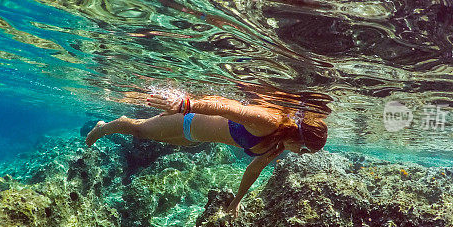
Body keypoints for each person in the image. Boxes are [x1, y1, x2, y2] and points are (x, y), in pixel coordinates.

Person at [85, 92, 328, 215]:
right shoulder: (270, 122)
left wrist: (237, 200)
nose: (300, 154)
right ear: (298, 135)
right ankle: (103, 128)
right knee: (139, 130)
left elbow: (255, 168)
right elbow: (230, 108)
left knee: (148, 132)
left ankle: (113, 126)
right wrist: (185, 105)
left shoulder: (279, 144)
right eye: (304, 149)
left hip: (193, 139)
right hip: (188, 121)